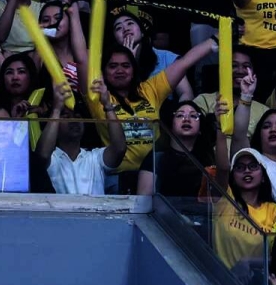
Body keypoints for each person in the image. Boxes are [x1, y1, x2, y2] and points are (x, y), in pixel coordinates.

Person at [84, 38, 214, 186]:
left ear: (134, 70)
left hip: (155, 175)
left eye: (126, 65)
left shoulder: (149, 89)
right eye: (113, 66)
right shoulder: (97, 96)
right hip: (117, 179)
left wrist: (216, 39)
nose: (120, 70)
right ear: (104, 72)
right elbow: (83, 57)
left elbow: (184, 62)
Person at [37, 80, 126, 195]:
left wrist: (108, 106)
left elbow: (119, 148)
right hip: (62, 213)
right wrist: (56, 110)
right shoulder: (52, 158)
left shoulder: (95, 158)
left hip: (95, 213)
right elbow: (42, 154)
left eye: (78, 116)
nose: (74, 120)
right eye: (66, 116)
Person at [213, 147, 276, 273]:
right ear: (233, 177)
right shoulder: (226, 200)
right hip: (222, 281)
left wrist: (248, 262)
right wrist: (220, 130)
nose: (247, 171)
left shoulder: (274, 211)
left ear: (263, 176)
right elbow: (223, 168)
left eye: (253, 166)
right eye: (240, 167)